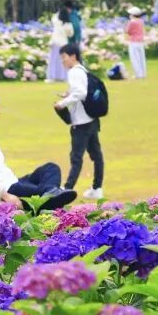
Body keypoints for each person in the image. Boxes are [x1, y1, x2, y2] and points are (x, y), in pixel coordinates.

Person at [0, 92, 78, 211]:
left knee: (51, 168)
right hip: (5, 190)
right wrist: (6, 196)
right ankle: (51, 197)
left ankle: (49, 194)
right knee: (48, 197)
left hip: (13, 182)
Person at [54, 43, 104, 199]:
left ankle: (67, 188)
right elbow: (81, 90)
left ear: (73, 56)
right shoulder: (83, 70)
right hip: (91, 120)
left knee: (76, 157)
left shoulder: (73, 72)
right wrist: (68, 94)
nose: (63, 61)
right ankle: (97, 188)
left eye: (64, 57)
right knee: (96, 155)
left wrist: (62, 104)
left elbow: (81, 93)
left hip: (81, 123)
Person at [46, 8, 72, 82]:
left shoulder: (56, 22)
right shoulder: (68, 24)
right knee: (63, 61)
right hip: (64, 44)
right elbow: (70, 34)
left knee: (54, 61)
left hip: (55, 43)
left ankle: (53, 76)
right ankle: (63, 77)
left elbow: (53, 17)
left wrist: (59, 11)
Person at [125, 7, 147, 79]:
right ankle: (143, 73)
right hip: (140, 41)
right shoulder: (141, 21)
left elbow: (128, 31)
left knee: (135, 59)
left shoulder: (132, 22)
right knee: (141, 58)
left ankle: (138, 74)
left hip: (133, 41)